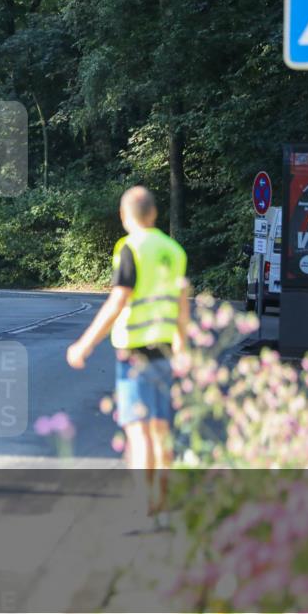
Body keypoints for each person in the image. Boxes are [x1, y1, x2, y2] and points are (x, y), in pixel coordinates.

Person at [66, 186, 190, 517]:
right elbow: (181, 301)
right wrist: (183, 344)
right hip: (165, 350)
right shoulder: (173, 250)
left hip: (135, 352)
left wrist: (85, 344)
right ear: (155, 214)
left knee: (139, 431)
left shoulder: (129, 248)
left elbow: (119, 298)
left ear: (124, 216)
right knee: (162, 429)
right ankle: (163, 505)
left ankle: (144, 507)